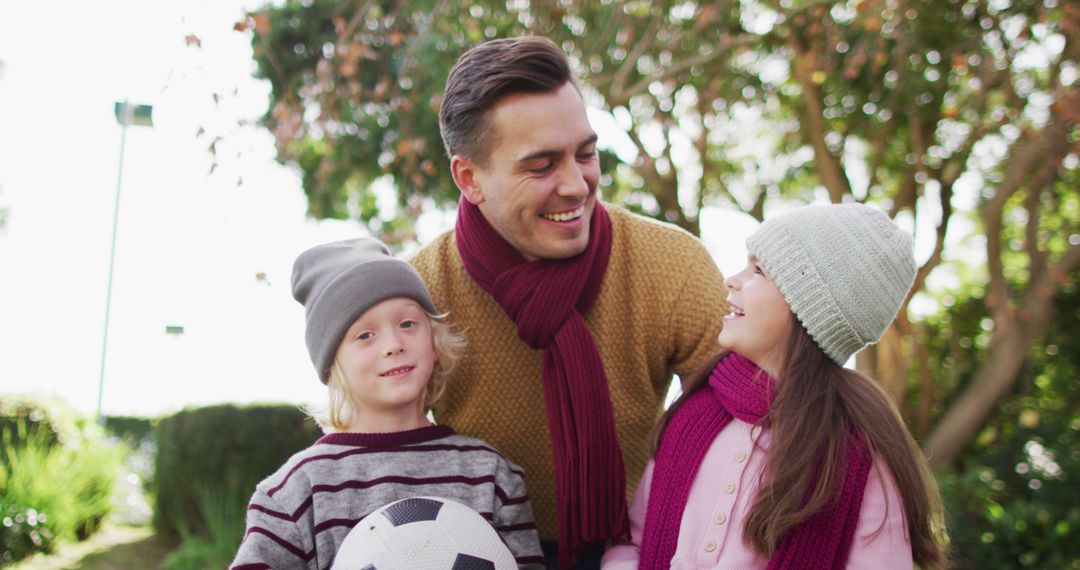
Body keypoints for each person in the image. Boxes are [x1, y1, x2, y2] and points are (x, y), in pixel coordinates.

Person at [408, 36, 728, 569]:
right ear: (470, 179)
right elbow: (376, 451)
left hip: (640, 549)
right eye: (541, 166)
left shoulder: (672, 264)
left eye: (585, 153)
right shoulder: (420, 292)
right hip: (472, 554)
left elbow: (754, 428)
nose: (577, 185)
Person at [600, 203, 949, 569]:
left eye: (759, 270)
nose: (732, 279)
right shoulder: (693, 413)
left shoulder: (856, 456)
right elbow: (632, 542)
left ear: (809, 311)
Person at [230, 238, 545, 569]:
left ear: (434, 341)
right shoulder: (296, 492)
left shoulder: (490, 474)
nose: (394, 344)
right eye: (365, 335)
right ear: (331, 365)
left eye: (407, 324)